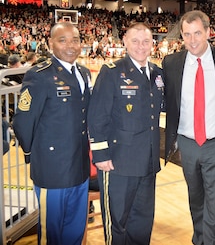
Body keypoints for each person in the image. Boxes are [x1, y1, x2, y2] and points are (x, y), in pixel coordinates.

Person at [162, 10, 215, 245]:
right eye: (187, 34)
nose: (192, 40)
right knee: (196, 200)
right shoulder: (171, 63)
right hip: (188, 143)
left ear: (208, 32)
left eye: (197, 33)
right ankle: (200, 240)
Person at [12, 22, 91, 245]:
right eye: (62, 40)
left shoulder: (83, 73)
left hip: (79, 167)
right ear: (50, 44)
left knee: (75, 229)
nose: (70, 45)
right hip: (52, 169)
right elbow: (23, 121)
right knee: (51, 234)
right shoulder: (40, 76)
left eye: (75, 40)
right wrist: (34, 155)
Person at [87, 22, 164, 245]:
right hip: (118, 162)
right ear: (125, 43)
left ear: (153, 44)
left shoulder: (157, 74)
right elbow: (97, 115)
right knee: (117, 223)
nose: (141, 46)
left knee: (142, 221)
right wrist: (100, 156)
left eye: (146, 41)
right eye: (135, 41)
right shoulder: (111, 72)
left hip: (148, 163)